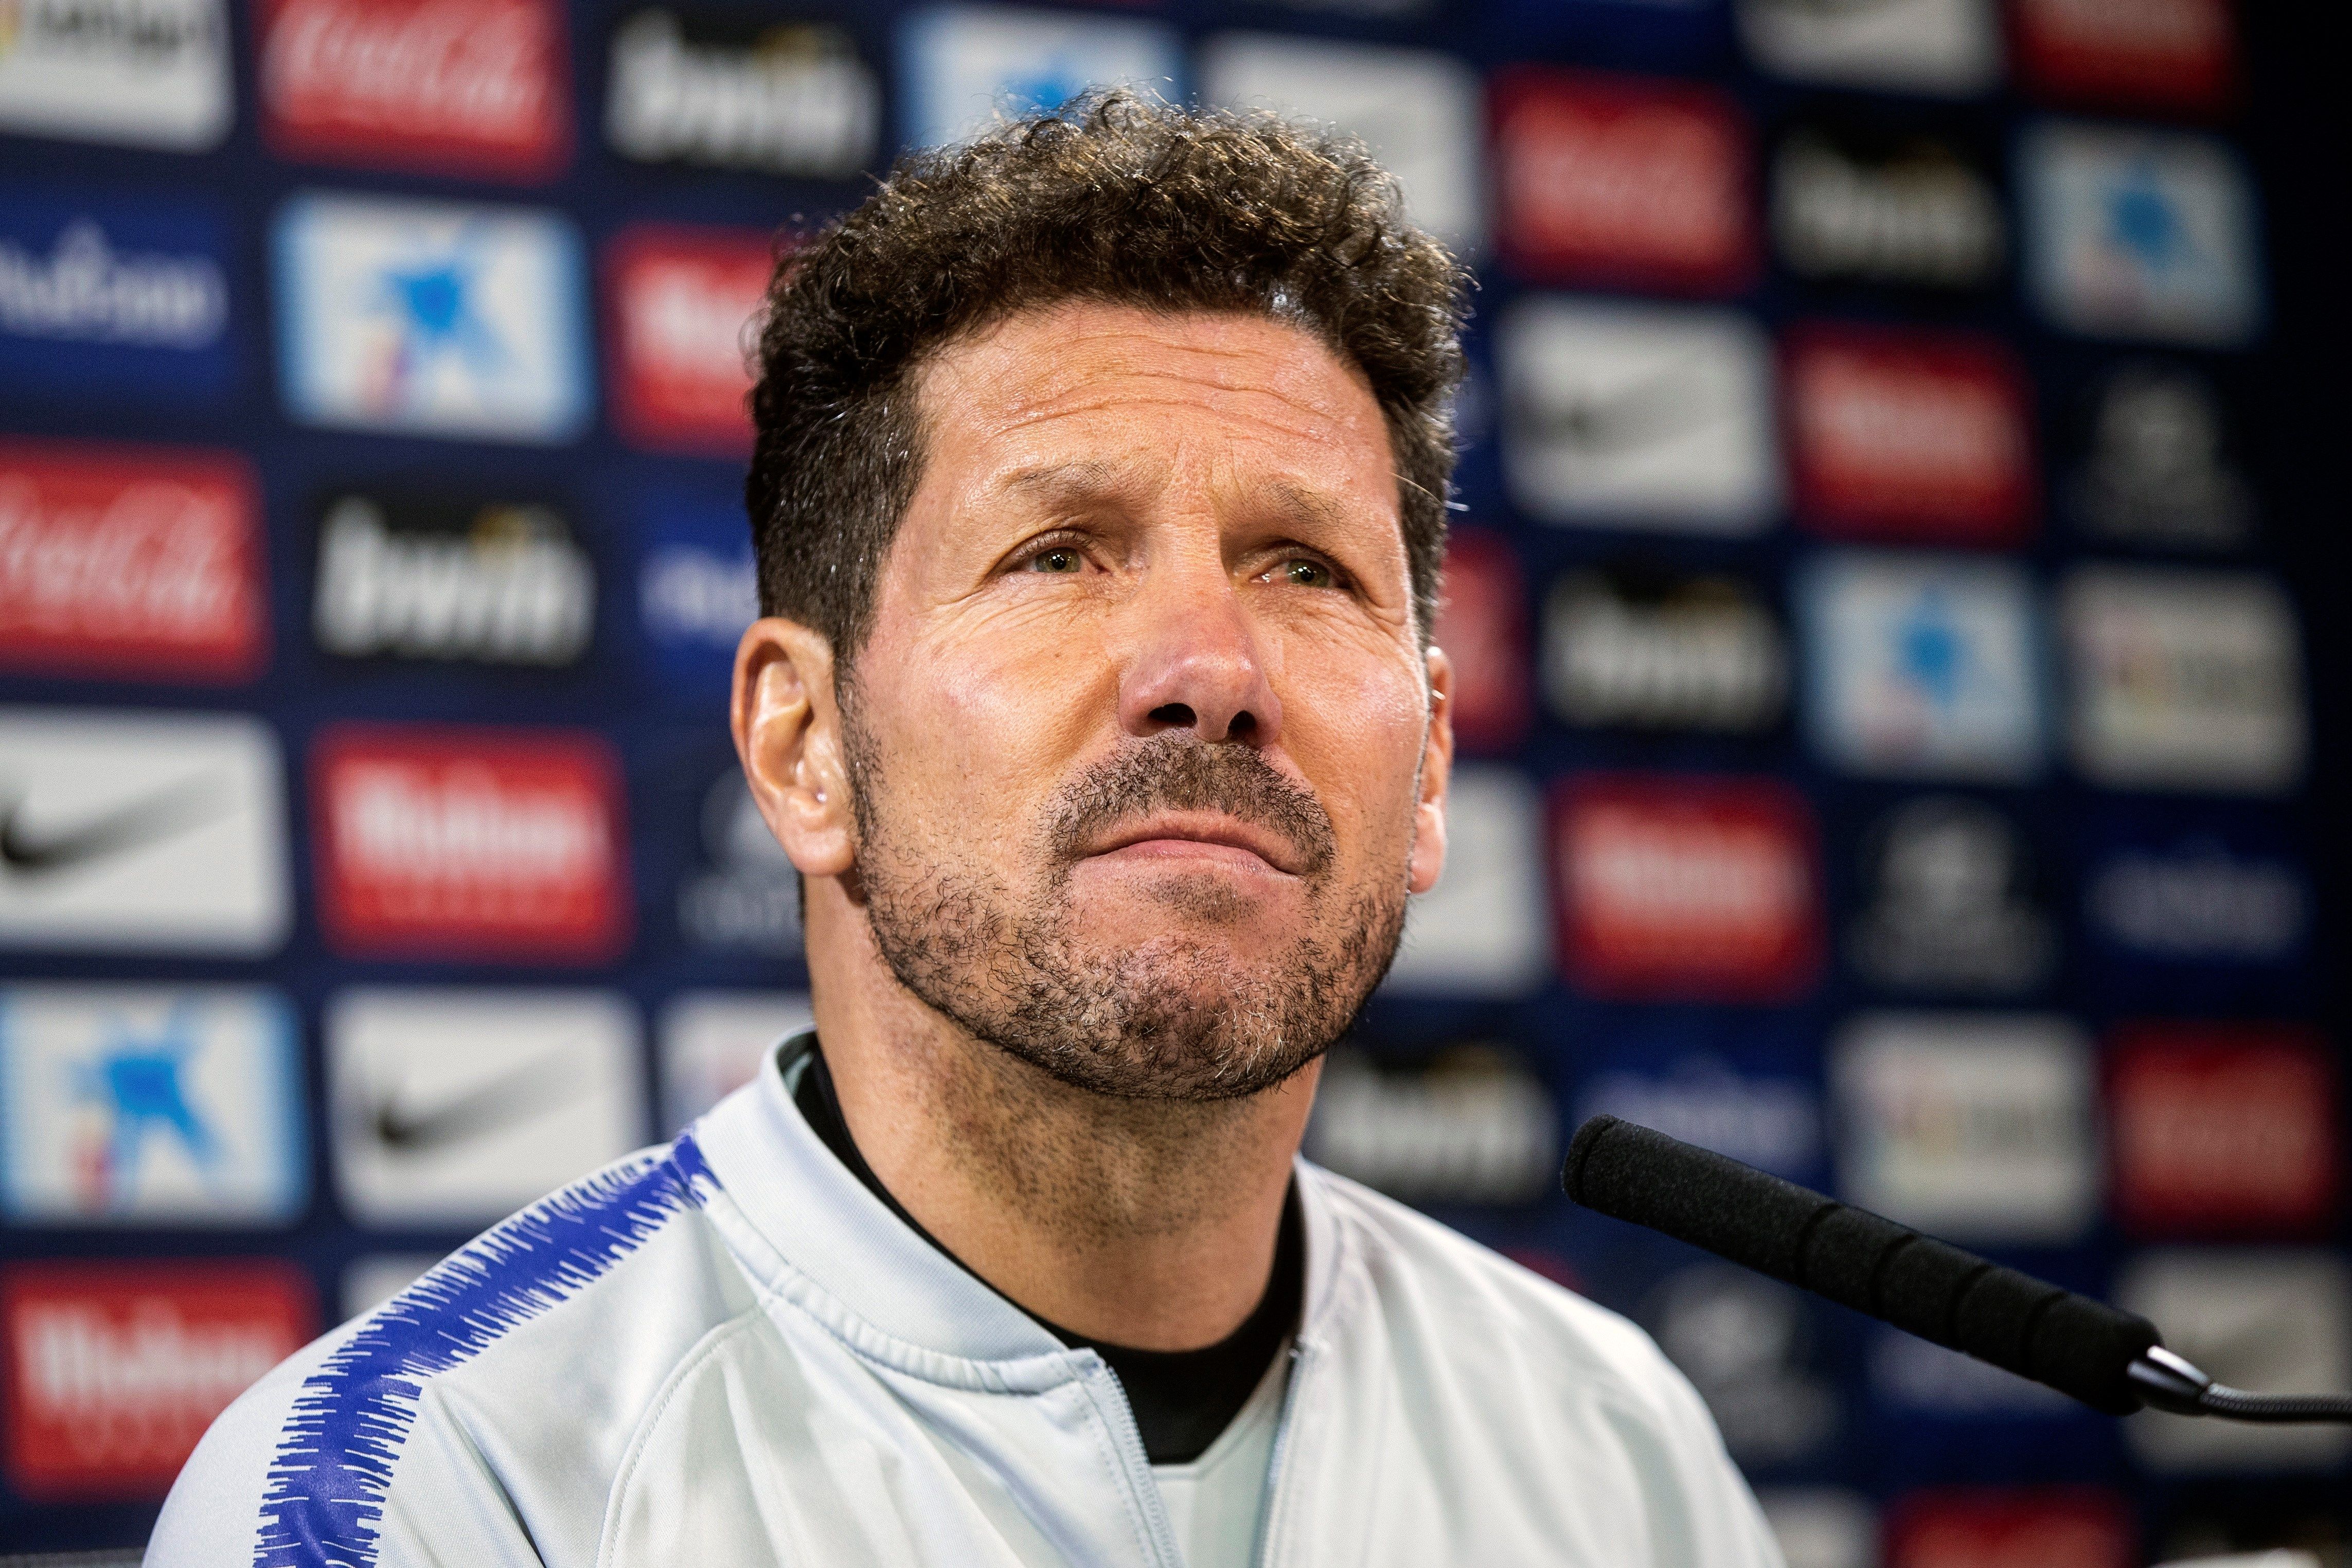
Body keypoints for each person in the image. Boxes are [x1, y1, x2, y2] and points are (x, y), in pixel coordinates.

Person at [149, 95, 1782, 1568]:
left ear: (1426, 765)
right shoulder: (432, 1493)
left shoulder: (1612, 1450)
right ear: (804, 748)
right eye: (1059, 554)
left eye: (1305, 567)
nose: (1211, 673)